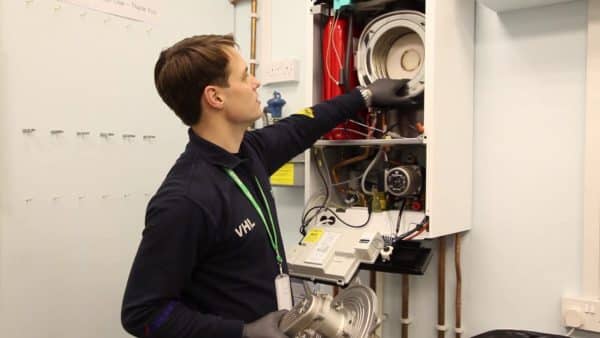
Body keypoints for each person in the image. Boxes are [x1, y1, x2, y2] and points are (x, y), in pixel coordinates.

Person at [121, 34, 411, 338]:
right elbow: (143, 313)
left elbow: (302, 126)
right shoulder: (186, 199)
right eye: (245, 75)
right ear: (215, 97)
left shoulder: (248, 152)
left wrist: (365, 95)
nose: (256, 82)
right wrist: (242, 332)